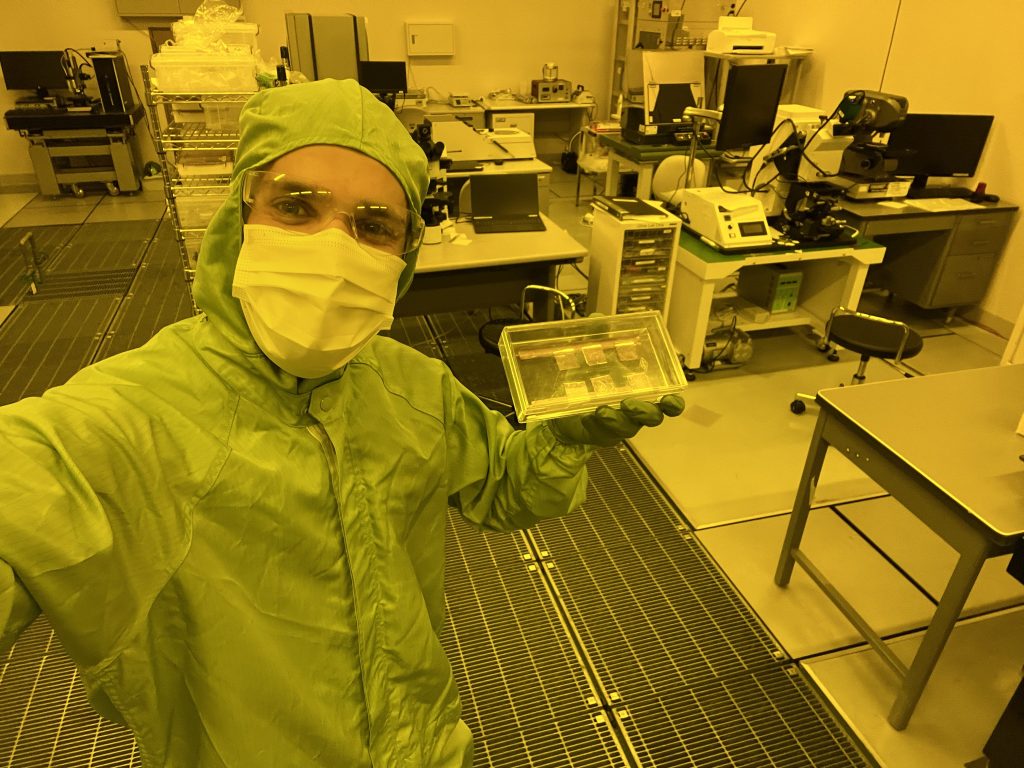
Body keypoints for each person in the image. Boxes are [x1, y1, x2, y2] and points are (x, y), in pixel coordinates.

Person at [0, 78, 684, 766]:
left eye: (373, 226)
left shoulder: (410, 384)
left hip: (422, 742)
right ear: (240, 219)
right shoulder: (131, 415)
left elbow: (501, 483)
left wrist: (560, 440)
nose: (334, 249)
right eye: (296, 208)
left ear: (405, 254)